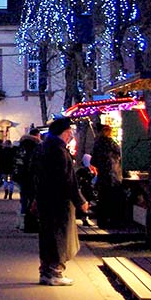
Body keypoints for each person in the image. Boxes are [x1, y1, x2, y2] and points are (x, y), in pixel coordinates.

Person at [34, 116, 89, 286]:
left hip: (45, 200)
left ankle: (46, 270)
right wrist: (80, 200)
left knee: (47, 235)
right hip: (58, 202)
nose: (71, 135)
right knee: (60, 236)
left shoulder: (43, 148)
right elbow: (67, 180)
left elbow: (35, 175)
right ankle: (55, 272)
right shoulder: (58, 151)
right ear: (64, 133)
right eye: (69, 132)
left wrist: (35, 198)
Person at [91, 123, 124, 228]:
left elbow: (94, 160)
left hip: (103, 176)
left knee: (103, 199)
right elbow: (120, 157)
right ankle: (115, 221)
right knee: (114, 199)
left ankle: (102, 222)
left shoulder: (98, 144)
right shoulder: (113, 144)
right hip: (114, 175)